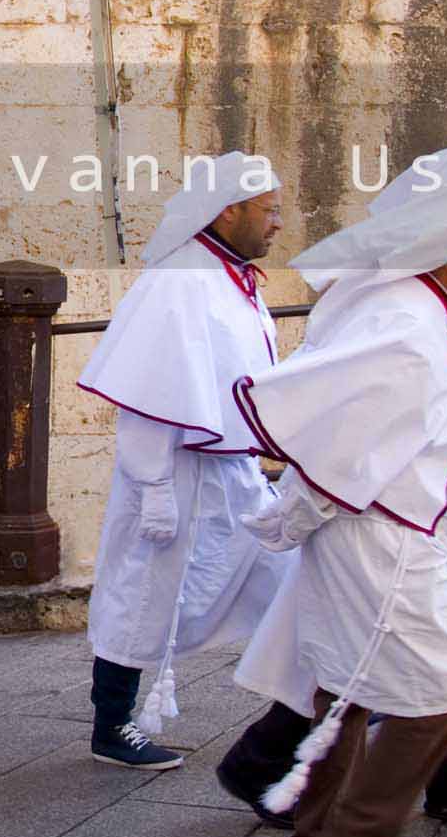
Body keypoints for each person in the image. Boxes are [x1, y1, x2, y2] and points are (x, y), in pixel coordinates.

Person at [218, 148, 447, 827]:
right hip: (382, 513)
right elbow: (350, 422)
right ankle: (324, 805)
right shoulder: (396, 305)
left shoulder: (425, 298)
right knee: (406, 667)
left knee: (380, 656)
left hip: (415, 501)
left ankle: (330, 806)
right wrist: (297, 513)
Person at [75, 150, 290, 769]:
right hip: (178, 471)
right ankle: (112, 725)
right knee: (143, 594)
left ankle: (325, 701)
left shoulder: (230, 279)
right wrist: (154, 486)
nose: (277, 223)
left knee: (292, 578)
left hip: (234, 472)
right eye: (269, 211)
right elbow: (147, 393)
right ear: (229, 211)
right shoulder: (180, 280)